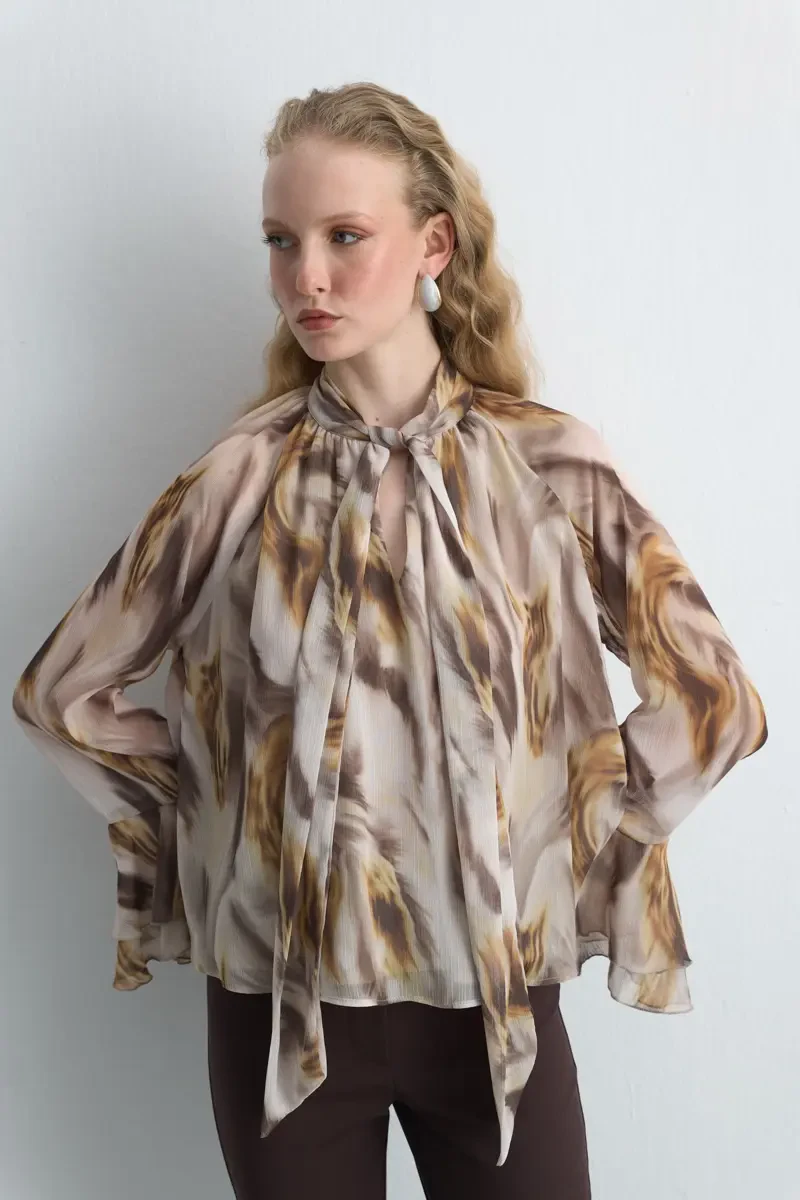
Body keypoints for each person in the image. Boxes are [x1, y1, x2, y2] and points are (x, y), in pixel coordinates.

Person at [11, 81, 768, 1200]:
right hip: (282, 1021)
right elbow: (61, 694)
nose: (305, 278)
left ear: (433, 246)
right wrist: (217, 816)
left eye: (344, 237)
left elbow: (714, 700)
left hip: (495, 1012)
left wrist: (575, 818)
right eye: (281, 241)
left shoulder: (548, 465)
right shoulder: (237, 478)